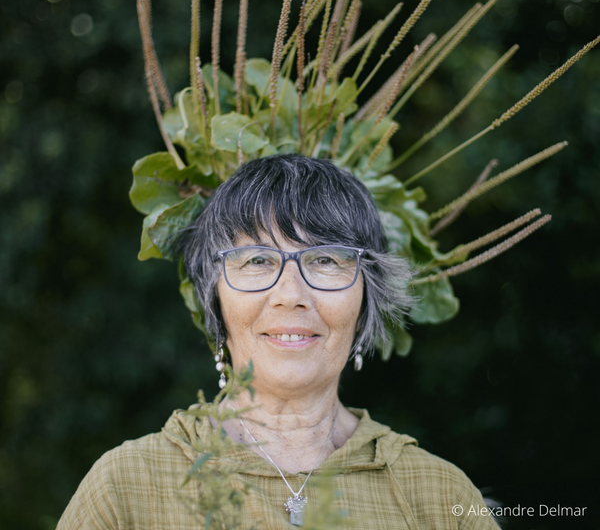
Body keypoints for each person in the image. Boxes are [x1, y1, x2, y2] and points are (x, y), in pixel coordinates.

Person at [57, 154, 499, 529]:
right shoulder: (127, 489)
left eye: (325, 258)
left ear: (367, 298)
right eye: (257, 260)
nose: (291, 295)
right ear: (215, 299)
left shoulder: (440, 499)